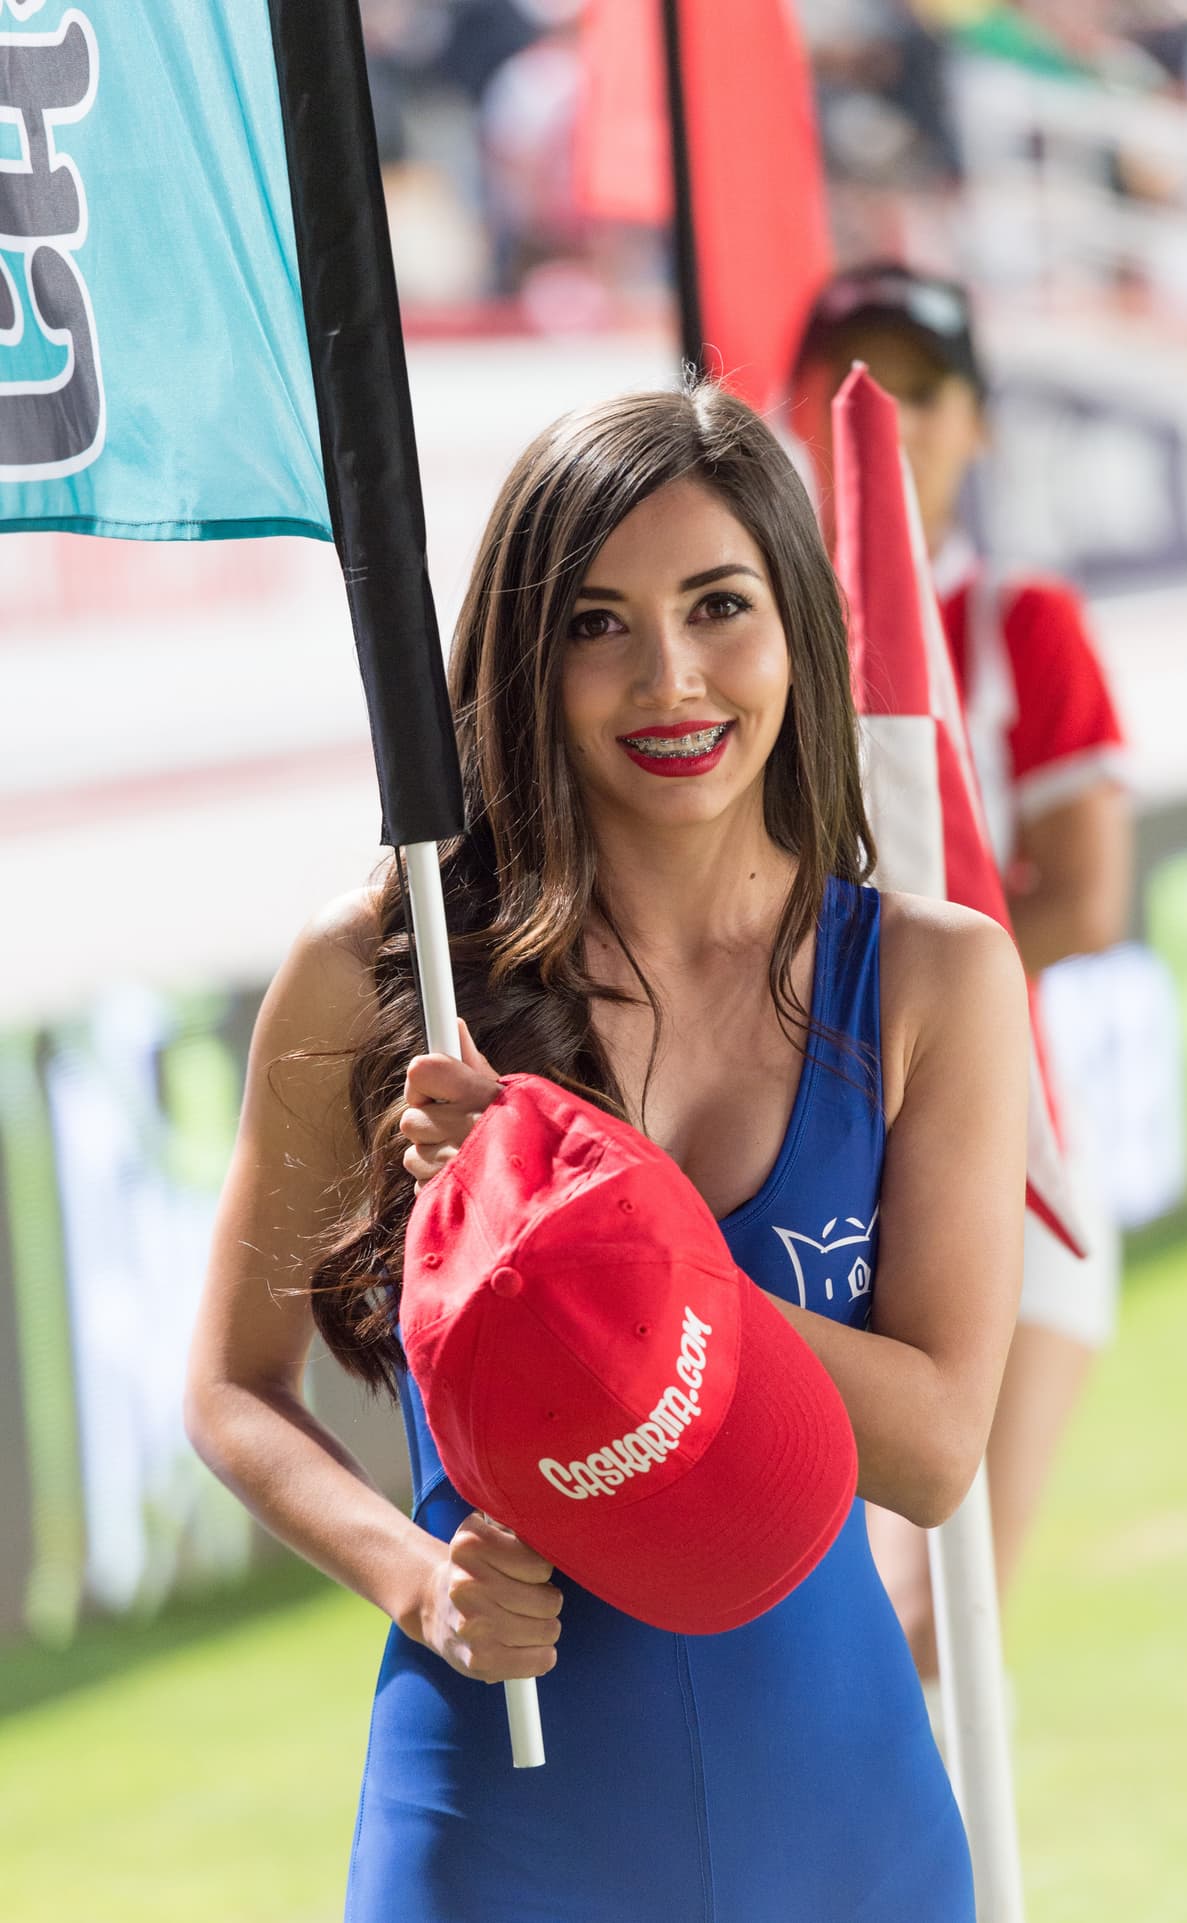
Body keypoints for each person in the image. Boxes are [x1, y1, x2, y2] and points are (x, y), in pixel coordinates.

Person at [185, 383, 1029, 1920]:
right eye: (596, 623)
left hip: (841, 1829)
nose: (672, 678)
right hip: (501, 1815)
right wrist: (414, 1581)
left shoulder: (933, 980)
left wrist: (614, 1232)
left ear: (797, 633)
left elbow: (932, 1446)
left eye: (721, 606)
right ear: (526, 656)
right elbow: (230, 1389)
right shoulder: (386, 973)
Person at [787, 263, 1133, 1682]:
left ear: (980, 424)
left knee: (930, 1626)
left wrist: (892, 1010)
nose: (890, 419)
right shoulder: (753, 638)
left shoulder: (1017, 626)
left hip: (1002, 1167)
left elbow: (1090, 895)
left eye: (923, 391)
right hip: (801, 1195)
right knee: (805, 1635)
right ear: (797, 413)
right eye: (852, 384)